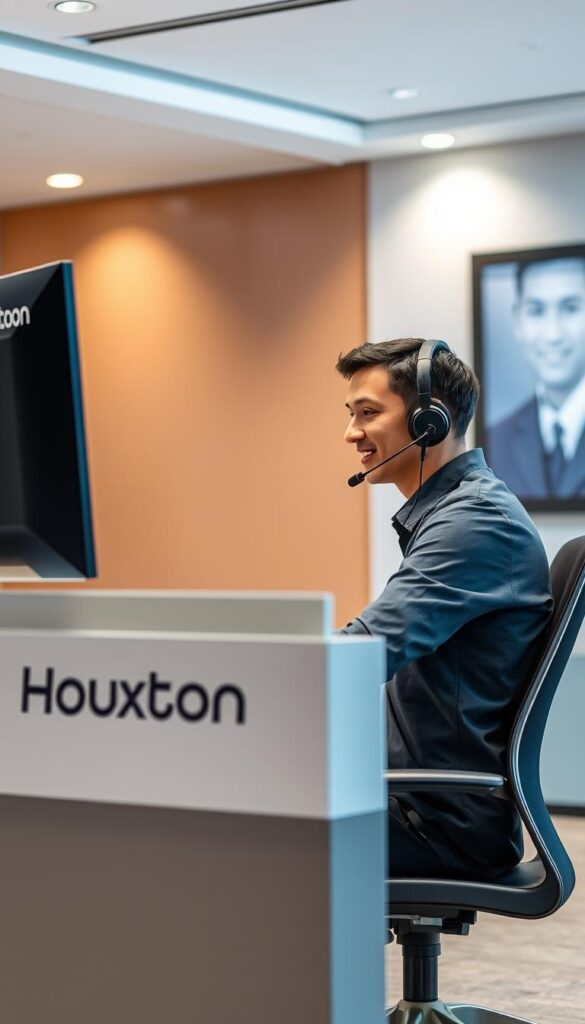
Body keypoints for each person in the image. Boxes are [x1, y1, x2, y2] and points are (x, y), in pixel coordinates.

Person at [337, 338, 552, 880]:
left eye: (368, 413)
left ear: (431, 420)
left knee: (238, 840)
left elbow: (361, 653)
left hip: (436, 823)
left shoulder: (474, 521)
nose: (351, 433)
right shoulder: (456, 513)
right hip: (417, 803)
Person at [488, 256, 585, 499]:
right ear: (518, 321)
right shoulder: (495, 440)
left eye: (570, 308)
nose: (553, 334)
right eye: (537, 311)